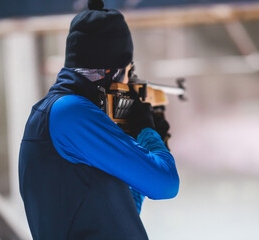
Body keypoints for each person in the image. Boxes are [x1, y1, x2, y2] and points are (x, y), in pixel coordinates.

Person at [18, 0, 180, 239]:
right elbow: (166, 184)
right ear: (111, 72)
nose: (127, 83)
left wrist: (135, 141)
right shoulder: (70, 114)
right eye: (126, 72)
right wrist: (146, 130)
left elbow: (122, 213)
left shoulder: (64, 113)